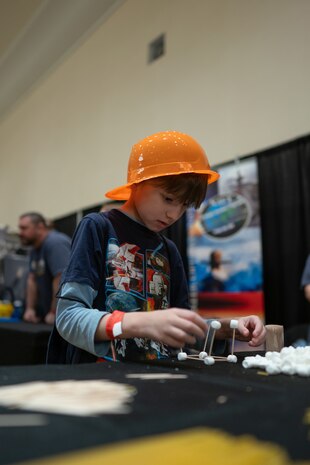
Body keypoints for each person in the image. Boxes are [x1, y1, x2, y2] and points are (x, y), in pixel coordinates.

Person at [47, 130, 266, 364]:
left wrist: (225, 328)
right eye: (168, 199)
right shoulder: (98, 228)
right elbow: (68, 318)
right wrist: (138, 323)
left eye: (184, 205)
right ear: (138, 183)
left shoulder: (168, 250)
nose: (174, 214)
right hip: (97, 383)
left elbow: (181, 328)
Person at [18, 212, 71, 325]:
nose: (20, 233)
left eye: (24, 228)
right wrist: (30, 309)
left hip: (64, 318)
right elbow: (32, 279)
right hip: (46, 317)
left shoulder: (55, 243)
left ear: (40, 227)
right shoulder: (35, 248)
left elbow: (61, 277)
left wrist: (54, 311)